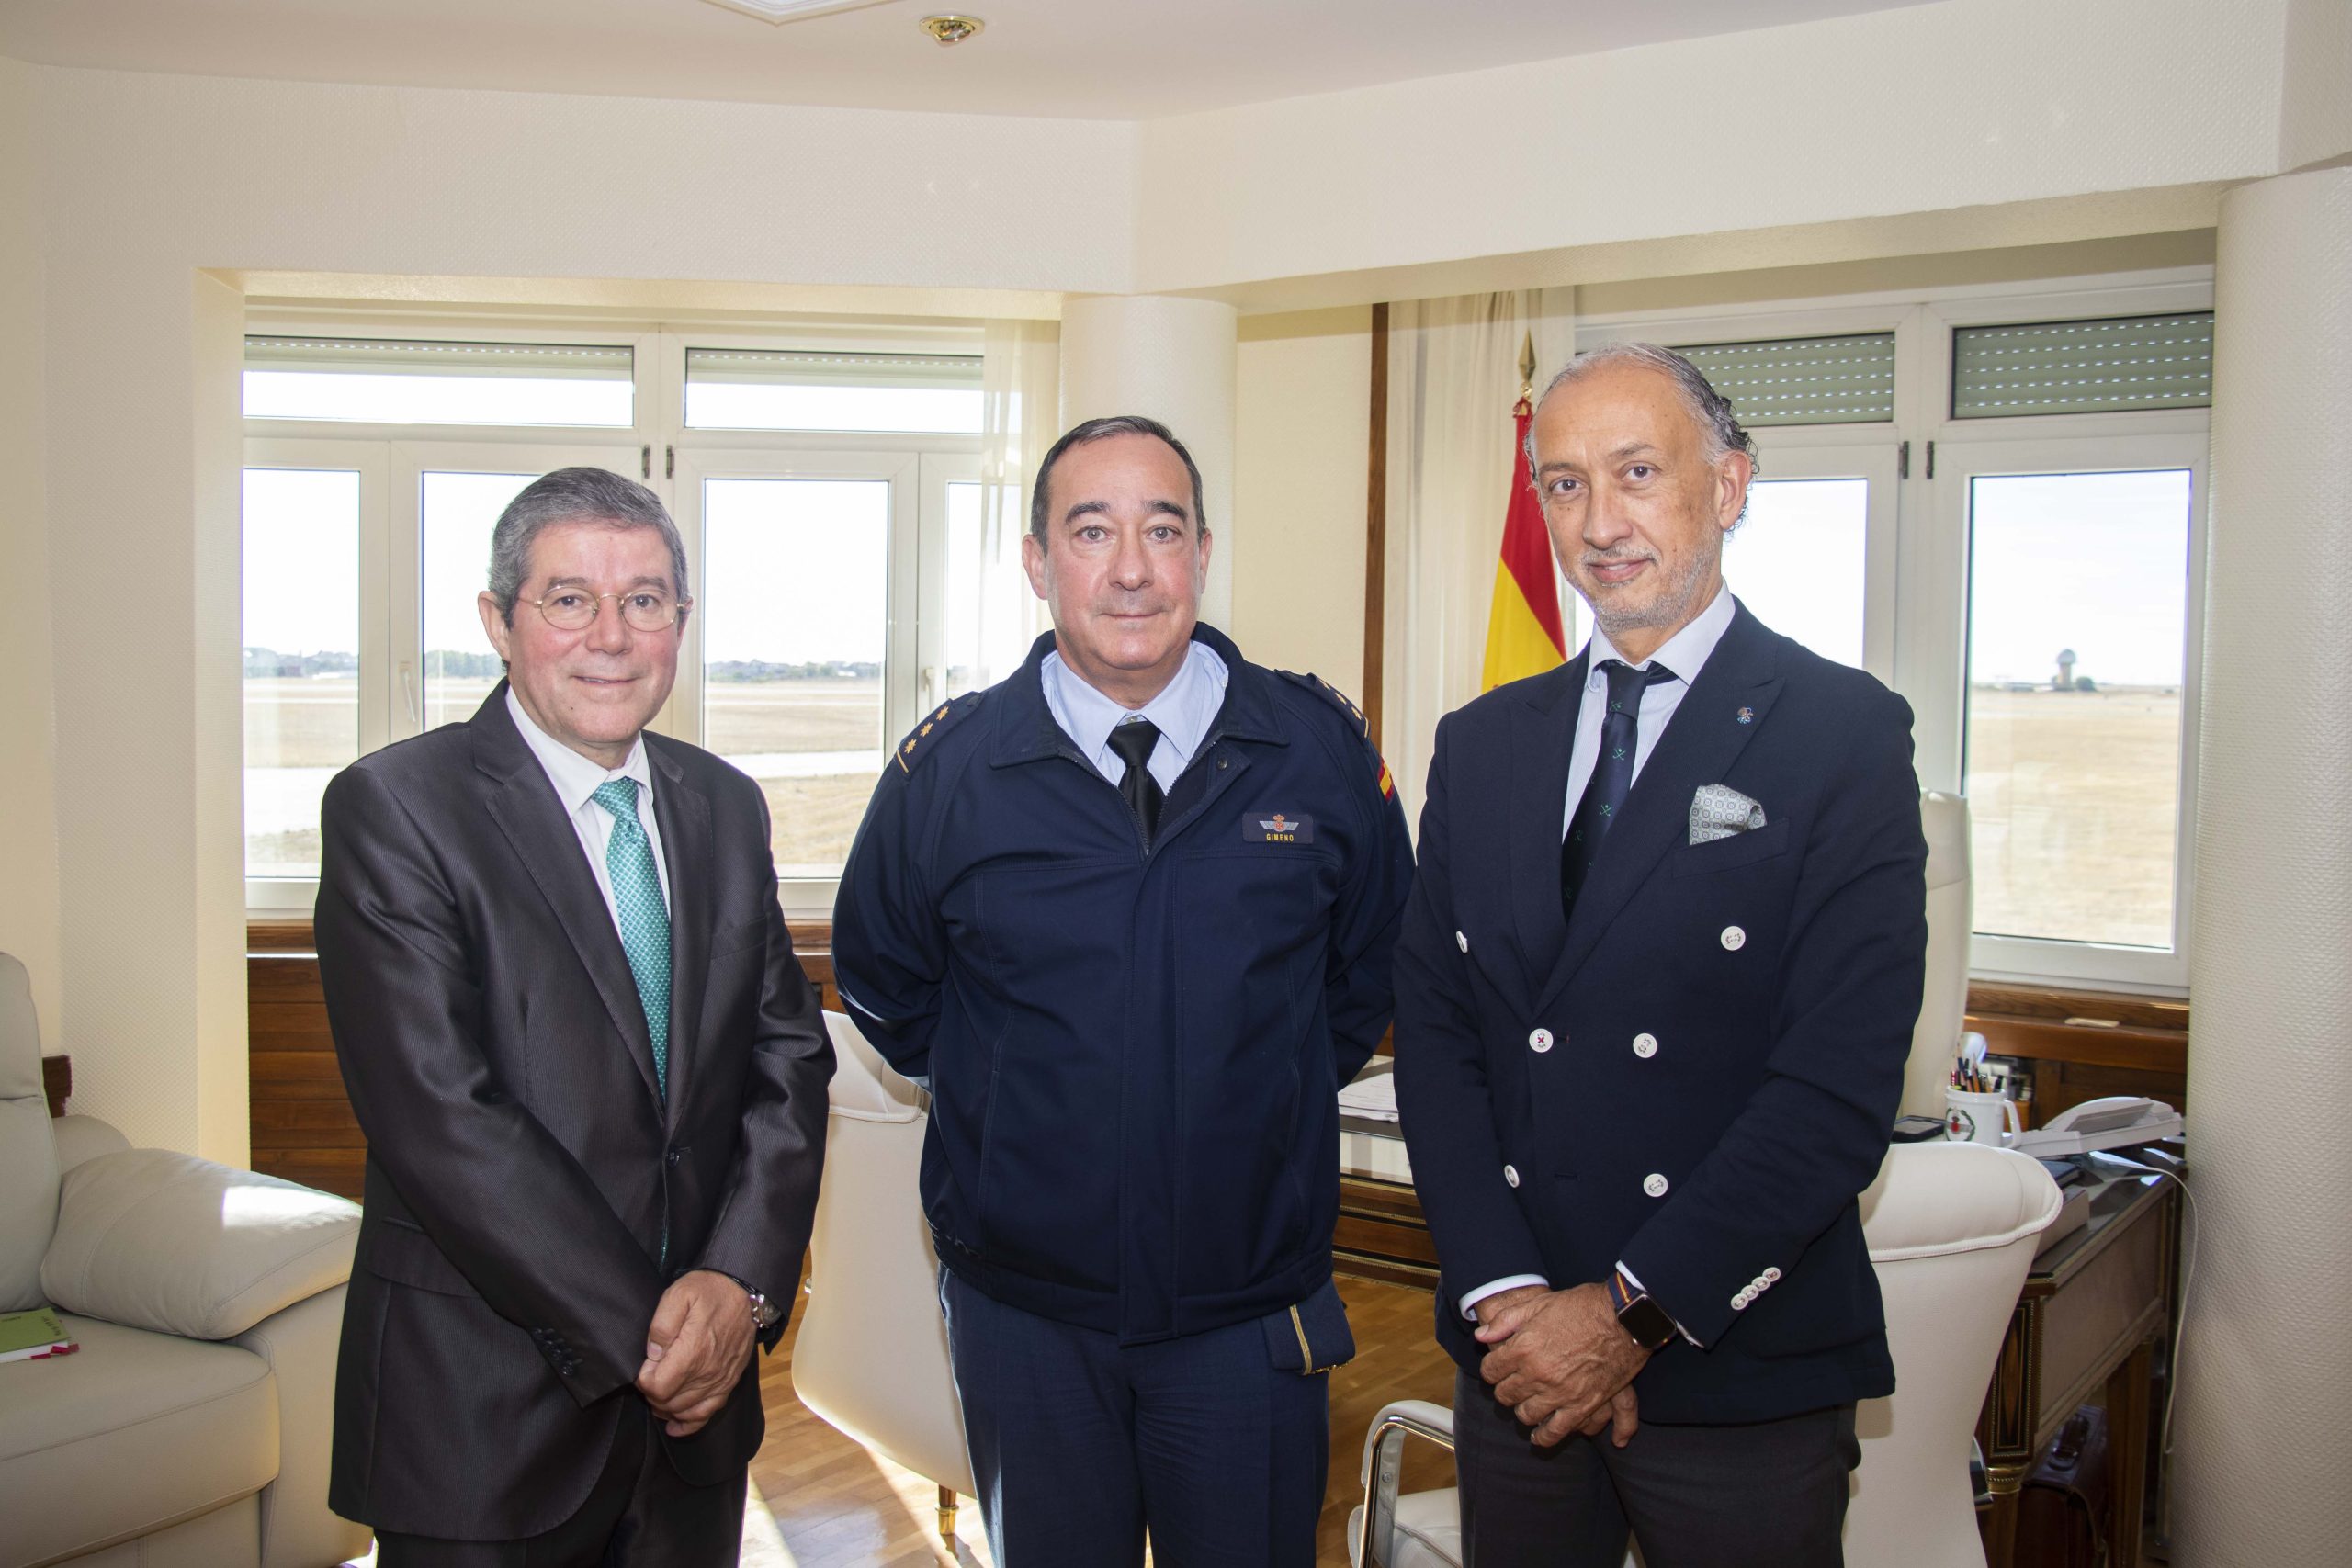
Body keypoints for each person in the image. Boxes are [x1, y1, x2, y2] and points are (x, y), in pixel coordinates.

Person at [831, 414, 1415, 1567]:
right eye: (1092, 531)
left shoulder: (1317, 752)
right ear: (1038, 561)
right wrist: (1019, 1095)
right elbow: (890, 987)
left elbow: (1366, 975)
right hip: (1027, 1320)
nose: (1132, 569)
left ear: (1203, 551)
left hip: (1249, 1314)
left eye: (1164, 529)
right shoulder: (949, 770)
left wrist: (1259, 1089)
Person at [1392, 344, 1928, 1567]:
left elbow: (1833, 1090)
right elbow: (1439, 1034)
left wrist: (1625, 1318)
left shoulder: (1840, 732)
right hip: (1519, 1359)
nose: (1599, 522)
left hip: (1731, 1357)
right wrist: (1508, 1298)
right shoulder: (1483, 742)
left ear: (1727, 486)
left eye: (1637, 472)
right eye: (1564, 483)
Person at [315, 467, 834, 1565]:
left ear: (679, 622)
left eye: (643, 600)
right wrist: (658, 1338)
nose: (610, 635)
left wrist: (736, 1288)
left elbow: (788, 1057)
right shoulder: (397, 808)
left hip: (696, 1428)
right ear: (498, 621)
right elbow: (441, 1118)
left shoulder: (723, 804)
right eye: (568, 599)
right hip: (481, 1422)